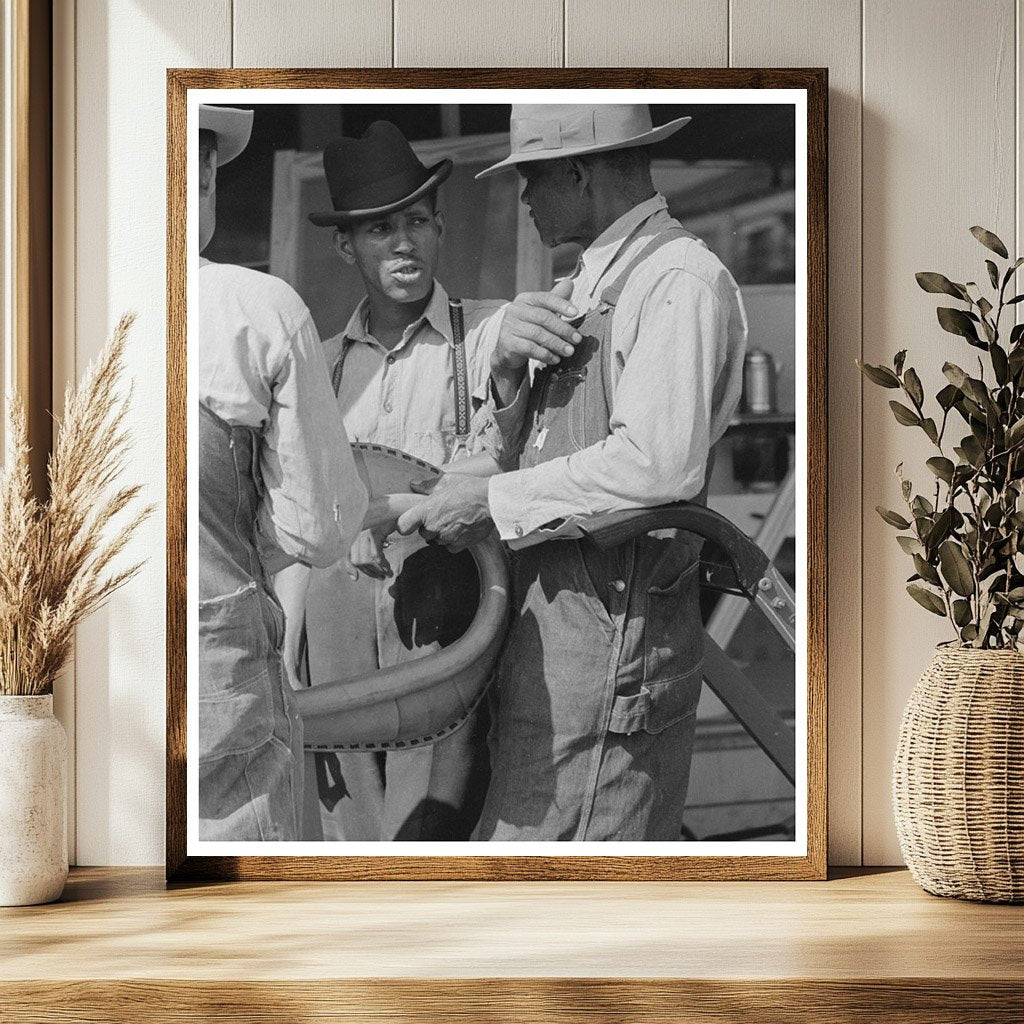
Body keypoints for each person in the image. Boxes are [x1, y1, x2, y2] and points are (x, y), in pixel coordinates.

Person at [398, 104, 748, 842]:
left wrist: (490, 500)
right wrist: (505, 379)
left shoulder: (678, 280)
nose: (524, 200)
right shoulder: (586, 284)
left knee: (570, 897)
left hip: (616, 650)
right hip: (553, 646)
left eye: (531, 179)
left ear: (579, 174)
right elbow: (545, 449)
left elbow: (657, 465)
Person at [295, 120, 505, 841]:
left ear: (441, 229)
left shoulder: (484, 338)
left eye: (417, 221)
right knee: (346, 813)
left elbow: (502, 458)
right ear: (345, 245)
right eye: (381, 229)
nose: (404, 243)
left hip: (442, 605)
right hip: (335, 614)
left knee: (430, 817)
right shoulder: (318, 366)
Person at [197, 104, 368, 841]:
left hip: (46, 677)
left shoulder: (35, 306)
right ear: (202, 174)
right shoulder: (252, 308)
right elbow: (319, 527)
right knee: (236, 916)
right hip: (210, 683)